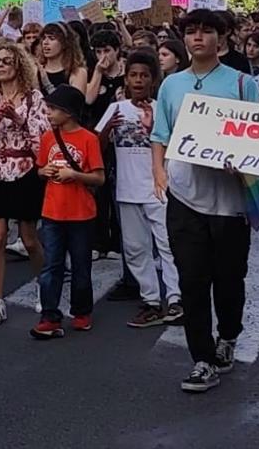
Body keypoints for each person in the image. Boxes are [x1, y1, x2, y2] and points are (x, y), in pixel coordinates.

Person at [151, 9, 259, 394]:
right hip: (184, 197)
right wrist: (160, 173)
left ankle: (228, 336)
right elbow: (159, 134)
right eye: (191, 32)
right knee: (192, 281)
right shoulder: (171, 85)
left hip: (229, 201)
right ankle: (201, 358)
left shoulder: (241, 83)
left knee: (229, 279)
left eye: (206, 31)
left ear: (223, 37)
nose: (198, 38)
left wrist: (246, 164)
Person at [0, 40, 49, 326]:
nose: (1, 66)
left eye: (6, 61)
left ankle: (45, 285)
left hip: (25, 170)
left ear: (18, 64)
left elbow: (43, 139)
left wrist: (18, 120)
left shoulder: (34, 98)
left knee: (29, 239)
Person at [100, 50, 181, 329]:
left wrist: (150, 129)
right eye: (133, 75)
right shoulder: (116, 109)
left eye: (144, 75)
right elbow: (96, 149)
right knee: (135, 248)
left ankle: (175, 298)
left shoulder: (161, 109)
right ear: (126, 79)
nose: (138, 80)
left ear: (153, 79)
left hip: (159, 186)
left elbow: (174, 148)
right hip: (126, 188)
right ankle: (150, 299)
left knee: (167, 244)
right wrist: (106, 129)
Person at [32, 84, 105, 339]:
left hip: (81, 213)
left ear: (69, 112)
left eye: (53, 109)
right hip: (52, 211)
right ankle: (49, 315)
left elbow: (99, 177)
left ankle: (82, 310)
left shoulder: (89, 139)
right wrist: (45, 171)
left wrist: (74, 174)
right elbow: (40, 168)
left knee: (81, 265)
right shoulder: (47, 138)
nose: (48, 113)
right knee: (51, 265)